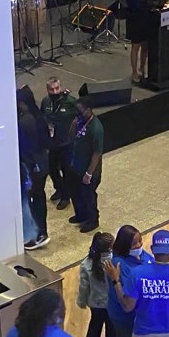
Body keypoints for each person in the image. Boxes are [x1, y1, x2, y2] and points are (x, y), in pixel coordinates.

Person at [106, 225, 151, 337]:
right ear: (125, 245)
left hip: (138, 313)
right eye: (134, 243)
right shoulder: (118, 264)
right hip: (122, 314)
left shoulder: (143, 256)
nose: (139, 245)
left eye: (140, 241)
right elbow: (124, 297)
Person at [18, 86, 50, 250]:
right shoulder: (38, 116)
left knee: (32, 200)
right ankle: (41, 231)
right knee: (39, 197)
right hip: (42, 164)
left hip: (33, 168)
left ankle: (37, 234)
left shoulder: (25, 122)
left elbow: (25, 150)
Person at [76, 231, 115, 337]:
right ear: (110, 248)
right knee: (112, 330)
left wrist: (81, 301)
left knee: (94, 328)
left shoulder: (86, 263)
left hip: (95, 304)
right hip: (112, 304)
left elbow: (84, 286)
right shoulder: (115, 262)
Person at [67, 95, 104, 234]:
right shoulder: (80, 122)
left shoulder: (96, 128)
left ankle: (93, 220)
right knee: (75, 192)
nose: (78, 113)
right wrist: (74, 123)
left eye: (80, 111)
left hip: (89, 171)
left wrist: (89, 173)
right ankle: (81, 214)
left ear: (88, 110)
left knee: (88, 196)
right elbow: (71, 137)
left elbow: (97, 152)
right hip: (76, 166)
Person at [41, 77, 78, 208]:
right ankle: (59, 189)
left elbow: (80, 117)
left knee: (66, 171)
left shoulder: (70, 101)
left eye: (57, 88)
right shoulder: (45, 102)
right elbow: (43, 118)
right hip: (52, 143)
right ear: (47, 89)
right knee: (52, 169)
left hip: (67, 144)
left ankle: (66, 196)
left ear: (60, 87)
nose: (55, 92)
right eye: (52, 89)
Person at [126, 0, 164, 83]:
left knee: (145, 47)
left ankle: (142, 68)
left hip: (147, 20)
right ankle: (134, 72)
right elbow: (140, 4)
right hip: (136, 22)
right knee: (136, 47)